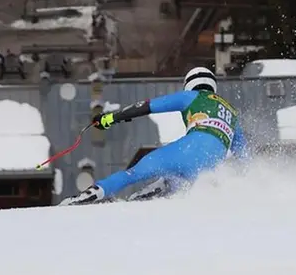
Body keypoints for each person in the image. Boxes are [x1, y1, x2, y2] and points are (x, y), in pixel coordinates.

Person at [59, 67, 249, 206]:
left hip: (184, 150)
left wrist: (109, 118)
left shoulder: (190, 97)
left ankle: (91, 194)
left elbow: (146, 106)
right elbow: (245, 159)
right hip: (207, 168)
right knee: (177, 181)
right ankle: (156, 191)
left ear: (189, 84)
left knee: (132, 174)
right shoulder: (233, 115)